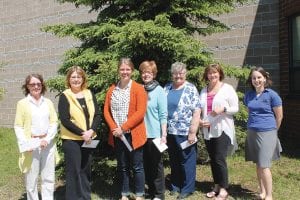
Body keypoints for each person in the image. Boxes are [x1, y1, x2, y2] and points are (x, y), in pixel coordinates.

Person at [104, 58, 147, 200]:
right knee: (122, 166)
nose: (125, 72)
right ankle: (125, 193)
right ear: (118, 71)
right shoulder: (112, 90)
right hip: (118, 136)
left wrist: (123, 128)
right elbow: (106, 111)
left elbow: (140, 113)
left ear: (132, 71)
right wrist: (114, 129)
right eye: (122, 69)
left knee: (137, 166)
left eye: (127, 69)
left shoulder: (138, 89)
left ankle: (140, 194)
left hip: (133, 135)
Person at [58, 66, 101, 200]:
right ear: (69, 79)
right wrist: (83, 133)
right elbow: (65, 120)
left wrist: (92, 131)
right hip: (72, 141)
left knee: (85, 170)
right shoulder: (65, 95)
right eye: (73, 77)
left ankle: (85, 197)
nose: (76, 79)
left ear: (83, 79)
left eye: (79, 77)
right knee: (74, 172)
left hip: (89, 139)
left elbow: (98, 115)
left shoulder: (89, 93)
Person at [14, 74, 58, 200]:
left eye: (38, 84)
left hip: (47, 144)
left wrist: (47, 139)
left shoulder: (48, 102)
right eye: (32, 84)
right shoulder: (22, 103)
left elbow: (54, 122)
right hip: (31, 144)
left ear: (42, 85)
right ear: (27, 86)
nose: (36, 86)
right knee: (31, 179)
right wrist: (25, 144)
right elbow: (18, 126)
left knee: (48, 177)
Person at [199, 64, 239, 200]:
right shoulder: (204, 90)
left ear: (220, 73)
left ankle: (224, 189)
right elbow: (200, 109)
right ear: (206, 75)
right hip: (207, 129)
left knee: (219, 158)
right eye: (210, 73)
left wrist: (224, 109)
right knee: (213, 159)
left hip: (222, 129)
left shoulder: (227, 89)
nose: (212, 75)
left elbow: (236, 108)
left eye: (215, 73)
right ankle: (216, 185)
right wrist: (199, 121)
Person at [244, 67, 283, 200]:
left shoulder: (272, 95)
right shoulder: (249, 95)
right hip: (252, 131)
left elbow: (279, 116)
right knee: (258, 163)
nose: (256, 80)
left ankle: (269, 195)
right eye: (254, 78)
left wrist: (273, 131)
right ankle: (262, 191)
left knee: (264, 164)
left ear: (265, 78)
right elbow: (250, 113)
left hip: (267, 132)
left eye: (259, 77)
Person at [164, 62, 201, 200]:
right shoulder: (166, 88)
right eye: (175, 73)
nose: (178, 75)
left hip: (185, 132)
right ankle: (175, 186)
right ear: (172, 74)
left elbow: (197, 111)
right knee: (174, 160)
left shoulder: (191, 89)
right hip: (170, 132)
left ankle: (187, 188)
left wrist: (193, 131)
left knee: (187, 161)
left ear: (185, 74)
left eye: (181, 73)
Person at [139, 61, 167, 200]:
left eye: (149, 72)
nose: (146, 75)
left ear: (154, 74)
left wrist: (164, 134)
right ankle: (150, 191)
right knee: (145, 165)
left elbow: (163, 115)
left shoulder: (159, 90)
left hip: (155, 134)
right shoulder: (139, 89)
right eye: (143, 72)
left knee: (156, 165)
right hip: (141, 134)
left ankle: (159, 194)